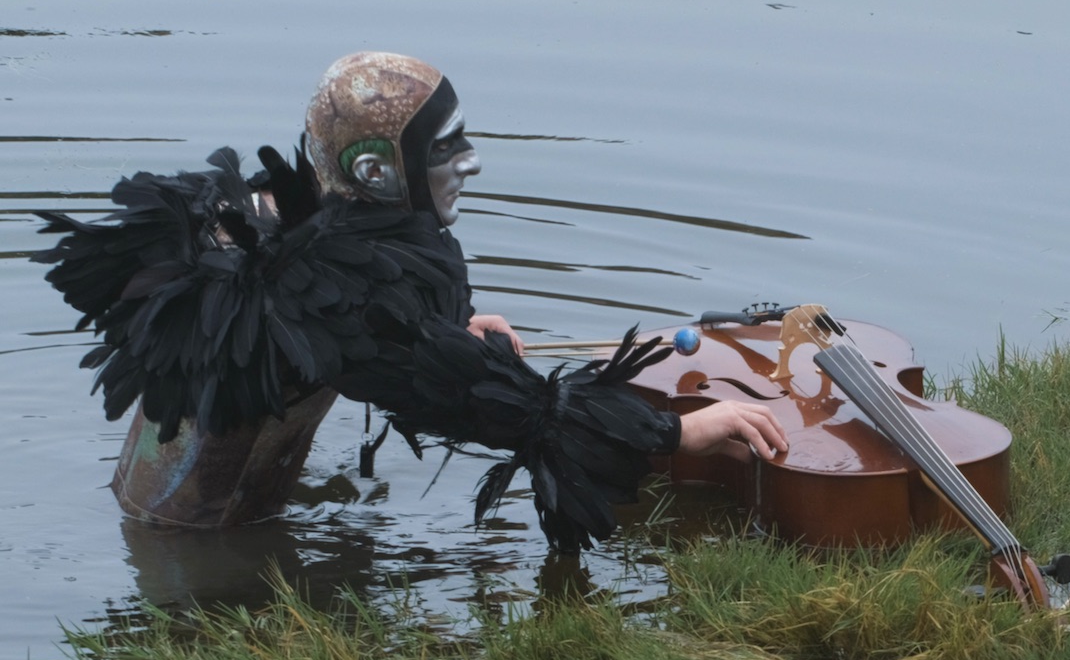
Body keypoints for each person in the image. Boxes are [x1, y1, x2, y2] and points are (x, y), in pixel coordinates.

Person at [34, 52, 785, 551]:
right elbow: (522, 417)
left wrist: (444, 328)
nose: (469, 162)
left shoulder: (288, 225)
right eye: (443, 147)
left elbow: (352, 327)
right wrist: (673, 434)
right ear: (377, 168)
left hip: (185, 506)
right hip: (199, 542)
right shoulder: (333, 291)